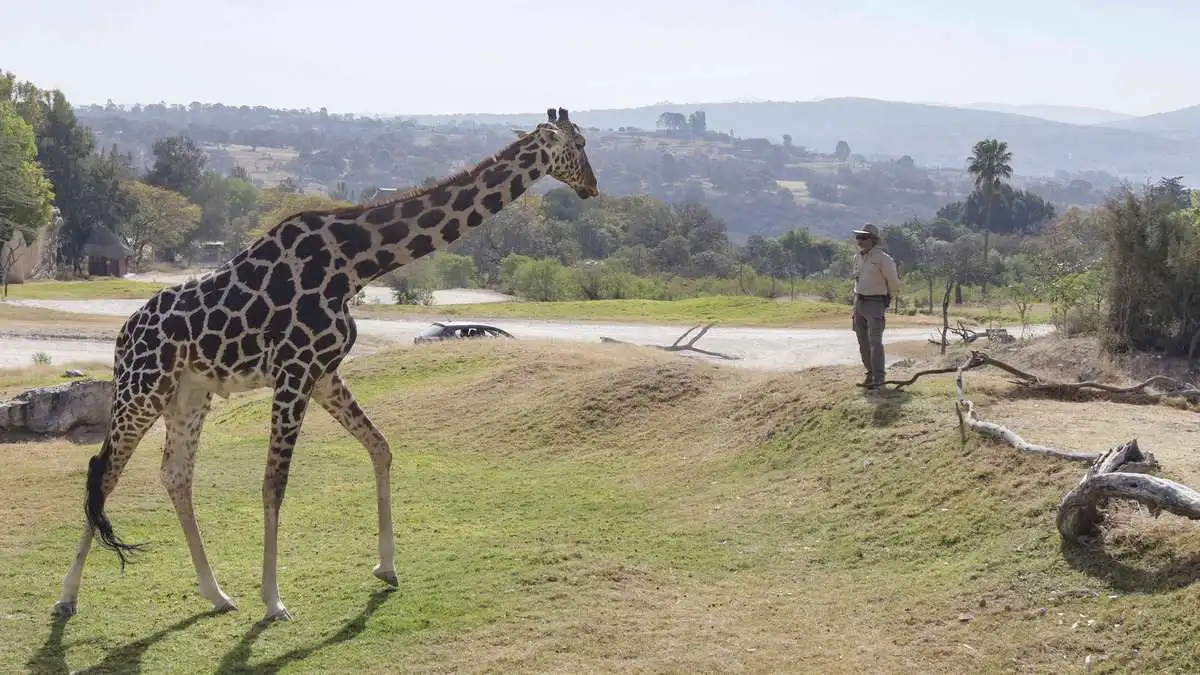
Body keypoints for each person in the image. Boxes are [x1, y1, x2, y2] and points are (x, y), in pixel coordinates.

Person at [850, 223, 901, 389]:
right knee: (862, 342)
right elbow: (856, 281)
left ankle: (879, 378)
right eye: (858, 237)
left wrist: (888, 300)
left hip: (875, 302)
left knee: (875, 341)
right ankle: (870, 374)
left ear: (873, 240)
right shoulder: (857, 258)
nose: (859, 240)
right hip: (859, 301)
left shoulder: (884, 260)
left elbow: (893, 283)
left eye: (863, 237)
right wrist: (854, 306)